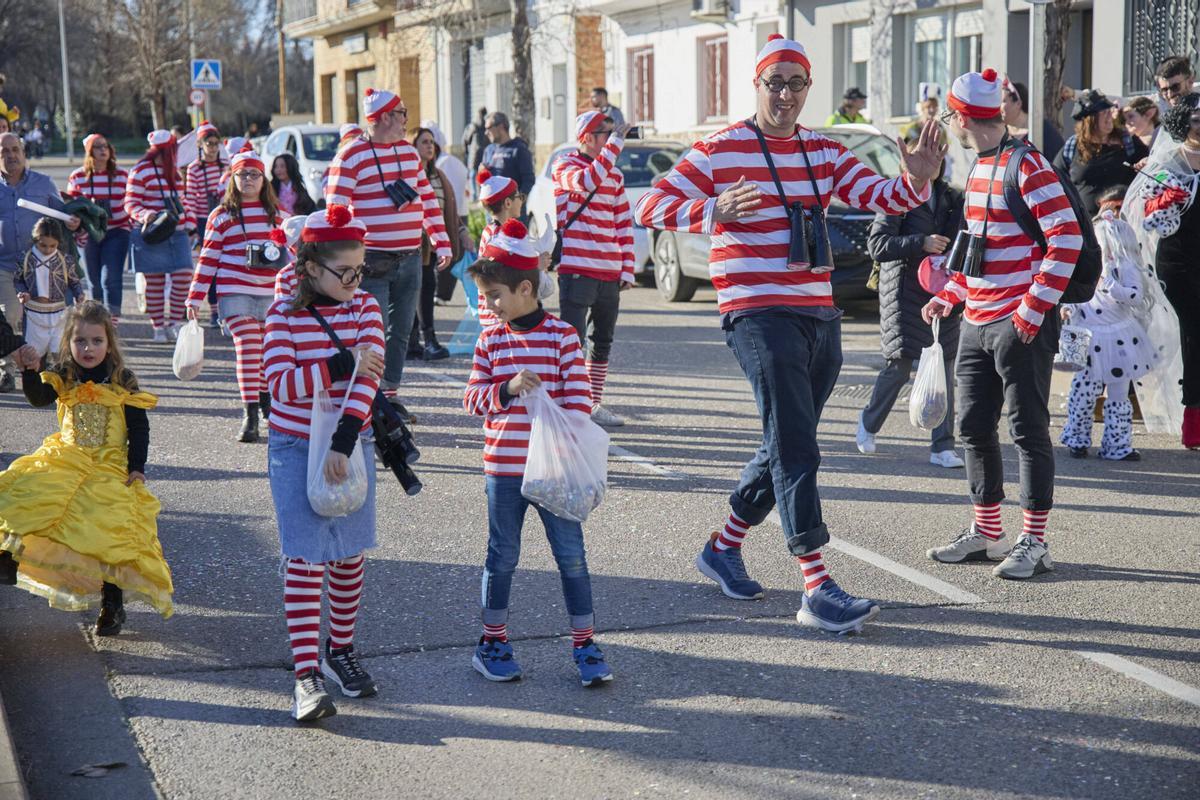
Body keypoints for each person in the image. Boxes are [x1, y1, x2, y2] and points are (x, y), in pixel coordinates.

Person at [636, 34, 945, 630]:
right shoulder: (722, 148)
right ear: (756, 84)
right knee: (797, 444)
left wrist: (917, 182)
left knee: (784, 437)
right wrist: (710, 211)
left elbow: (881, 193)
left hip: (819, 314)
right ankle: (816, 584)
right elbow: (651, 204)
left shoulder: (822, 151)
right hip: (756, 312)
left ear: (808, 89)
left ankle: (722, 546)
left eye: (795, 83)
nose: (784, 93)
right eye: (773, 81)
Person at [923, 68, 1082, 579]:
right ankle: (987, 532)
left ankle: (1034, 541)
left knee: (1028, 432)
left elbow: (1068, 238)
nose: (949, 123)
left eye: (950, 115)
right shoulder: (978, 166)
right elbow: (977, 245)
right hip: (976, 318)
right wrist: (951, 293)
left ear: (963, 117)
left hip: (1019, 323)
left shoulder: (1027, 164)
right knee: (971, 427)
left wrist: (1031, 311)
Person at [462, 219, 613, 686]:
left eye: (494, 295)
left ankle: (585, 644)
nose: (489, 304)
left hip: (555, 472)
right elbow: (471, 399)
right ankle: (492, 641)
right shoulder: (491, 340)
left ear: (525, 288)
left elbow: (582, 402)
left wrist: (559, 405)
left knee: (571, 556)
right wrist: (505, 390)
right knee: (501, 555)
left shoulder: (563, 337)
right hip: (503, 468)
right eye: (486, 296)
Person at [262, 206, 386, 722]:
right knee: (307, 558)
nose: (356, 281)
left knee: (350, 554)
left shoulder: (366, 308)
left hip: (351, 442)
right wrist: (341, 360)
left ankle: (341, 649)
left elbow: (370, 377)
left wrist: (342, 439)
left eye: (361, 270)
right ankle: (306, 674)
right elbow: (280, 384)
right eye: (346, 272)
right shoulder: (280, 315)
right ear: (312, 268)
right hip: (294, 446)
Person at [0, 301, 174, 635]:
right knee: (25, 490)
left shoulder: (122, 378)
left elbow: (139, 427)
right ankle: (8, 557)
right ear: (69, 343)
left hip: (109, 465)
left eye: (96, 341)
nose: (88, 348)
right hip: (67, 456)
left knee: (109, 527)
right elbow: (38, 398)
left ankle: (113, 604)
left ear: (109, 343)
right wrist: (29, 370)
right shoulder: (64, 372)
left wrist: (136, 467)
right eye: (80, 341)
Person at [325, 88, 450, 423]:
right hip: (372, 261)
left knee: (402, 330)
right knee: (372, 330)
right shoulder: (351, 156)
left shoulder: (408, 155)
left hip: (411, 257)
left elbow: (426, 200)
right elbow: (334, 211)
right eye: (402, 114)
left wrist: (441, 240)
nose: (406, 121)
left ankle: (390, 396)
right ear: (382, 118)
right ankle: (370, 397)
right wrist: (342, 257)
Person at [859, 158, 965, 467]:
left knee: (943, 367)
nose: (929, 163)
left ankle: (942, 446)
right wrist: (922, 242)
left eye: (935, 155)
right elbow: (877, 245)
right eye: (922, 155)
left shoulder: (951, 197)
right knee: (900, 367)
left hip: (941, 289)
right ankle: (869, 422)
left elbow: (965, 238)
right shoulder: (896, 197)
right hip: (903, 292)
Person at [187, 152, 287, 443]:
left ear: (263, 179)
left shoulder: (277, 216)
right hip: (235, 292)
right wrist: (195, 297)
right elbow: (208, 259)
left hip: (271, 293)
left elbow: (293, 254)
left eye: (254, 174)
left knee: (267, 353)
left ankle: (267, 403)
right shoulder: (221, 216)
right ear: (233, 178)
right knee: (249, 346)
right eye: (242, 174)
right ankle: (251, 415)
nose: (248, 180)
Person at [1060, 192, 1158, 461]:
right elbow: (1079, 294)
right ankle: (1077, 438)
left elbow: (1136, 296)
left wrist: (1113, 287)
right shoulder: (1089, 265)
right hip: (1090, 336)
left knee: (1117, 393)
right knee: (1083, 390)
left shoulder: (1124, 267)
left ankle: (1117, 444)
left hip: (1119, 339)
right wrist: (1069, 308)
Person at [553, 111, 635, 428]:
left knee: (602, 342)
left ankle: (591, 403)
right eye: (605, 133)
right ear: (586, 137)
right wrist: (615, 145)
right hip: (577, 270)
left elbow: (622, 223)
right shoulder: (566, 166)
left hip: (609, 272)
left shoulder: (613, 174)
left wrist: (627, 269)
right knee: (573, 342)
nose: (612, 139)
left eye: (613, 134)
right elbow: (587, 181)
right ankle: (570, 403)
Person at [1138, 93, 1200, 448]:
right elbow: (1152, 219)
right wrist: (1166, 201)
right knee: (1194, 332)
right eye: (1194, 118)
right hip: (1177, 262)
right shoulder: (1167, 163)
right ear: (1181, 122)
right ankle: (1192, 419)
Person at [1, 131, 81, 391]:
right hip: (5, 265)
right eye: (4, 151)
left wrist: (73, 222)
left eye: (15, 150)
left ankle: (53, 369)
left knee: (49, 318)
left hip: (41, 266)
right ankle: (7, 370)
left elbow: (62, 217)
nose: (11, 155)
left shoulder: (43, 183)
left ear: (24, 153)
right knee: (11, 314)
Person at [125, 129, 196, 342]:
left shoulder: (174, 171)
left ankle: (174, 323)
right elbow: (130, 203)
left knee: (184, 276)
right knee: (154, 282)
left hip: (177, 232)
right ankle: (158, 327)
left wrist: (191, 223)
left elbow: (182, 201)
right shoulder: (140, 171)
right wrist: (145, 214)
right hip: (152, 233)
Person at [409, 126, 468, 361]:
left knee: (425, 289)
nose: (430, 146)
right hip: (411, 245)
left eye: (432, 142)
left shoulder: (438, 175)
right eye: (424, 142)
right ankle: (420, 341)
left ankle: (424, 340)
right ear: (412, 146)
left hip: (433, 245)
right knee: (415, 291)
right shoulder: (409, 175)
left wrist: (462, 232)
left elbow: (448, 211)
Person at [67, 133, 131, 321]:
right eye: (98, 146)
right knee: (94, 281)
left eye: (106, 146)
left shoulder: (122, 175)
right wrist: (77, 225)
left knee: (110, 279)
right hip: (89, 234)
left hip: (117, 231)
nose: (103, 150)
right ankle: (98, 320)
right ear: (89, 152)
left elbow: (131, 202)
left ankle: (112, 322)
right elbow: (72, 206)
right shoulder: (78, 176)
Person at [1054, 90, 1147, 219]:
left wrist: (1143, 164)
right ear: (1090, 120)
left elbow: (1147, 165)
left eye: (1109, 111)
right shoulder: (1072, 147)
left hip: (1122, 221)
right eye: (1104, 113)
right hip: (1086, 225)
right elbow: (1056, 180)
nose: (1110, 116)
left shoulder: (1127, 142)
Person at [14, 217, 83, 360]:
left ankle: (59, 380)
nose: (47, 249)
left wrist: (79, 294)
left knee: (61, 354)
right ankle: (34, 381)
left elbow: (74, 281)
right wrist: (23, 292)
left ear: (59, 242)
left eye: (53, 246)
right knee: (32, 356)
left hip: (59, 314)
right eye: (43, 245)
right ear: (35, 240)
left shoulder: (65, 259)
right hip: (34, 314)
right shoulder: (25, 258)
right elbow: (18, 280)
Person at [475, 167, 523, 330]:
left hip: (494, 313)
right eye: (519, 197)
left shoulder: (491, 230)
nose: (521, 201)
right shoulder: (499, 236)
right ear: (508, 203)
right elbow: (503, 274)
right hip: (498, 314)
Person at [1001, 79, 1066, 162]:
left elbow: (1058, 165)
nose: (998, 106)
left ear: (1018, 103)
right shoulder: (1000, 132)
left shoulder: (1044, 131)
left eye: (1003, 101)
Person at [481, 112, 536, 205]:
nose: (486, 133)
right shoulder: (489, 150)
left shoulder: (519, 149)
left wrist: (519, 201)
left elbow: (528, 179)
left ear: (501, 127)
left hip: (512, 211)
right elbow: (484, 180)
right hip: (493, 210)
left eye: (488, 128)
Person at [463, 107, 489, 192]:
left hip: (475, 152)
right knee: (480, 173)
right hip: (484, 152)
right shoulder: (487, 125)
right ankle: (480, 192)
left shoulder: (473, 126)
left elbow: (466, 139)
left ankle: (474, 195)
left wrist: (466, 149)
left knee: (473, 173)